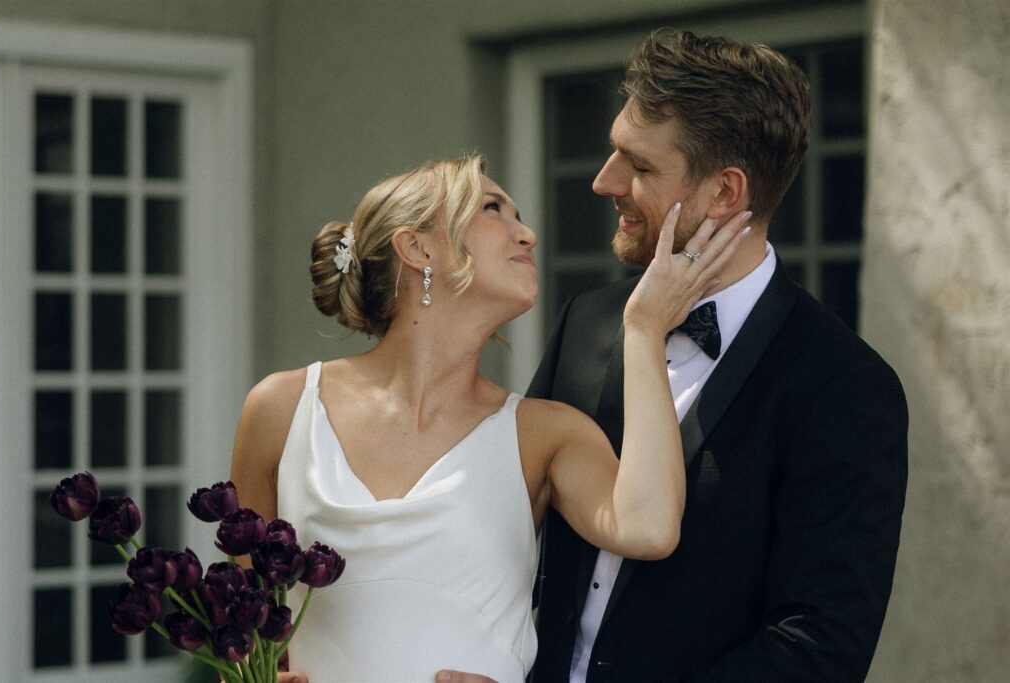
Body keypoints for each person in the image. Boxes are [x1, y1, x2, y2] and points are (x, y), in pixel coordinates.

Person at [440, 27, 908, 683]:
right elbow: (508, 539)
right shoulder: (589, 320)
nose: (604, 182)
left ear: (724, 193)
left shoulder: (846, 386)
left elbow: (817, 647)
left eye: (640, 165)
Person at [230, 154, 750, 682]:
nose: (527, 234)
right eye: (492, 209)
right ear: (418, 247)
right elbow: (238, 633)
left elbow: (650, 528)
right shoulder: (282, 409)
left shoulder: (546, 435)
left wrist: (644, 327)